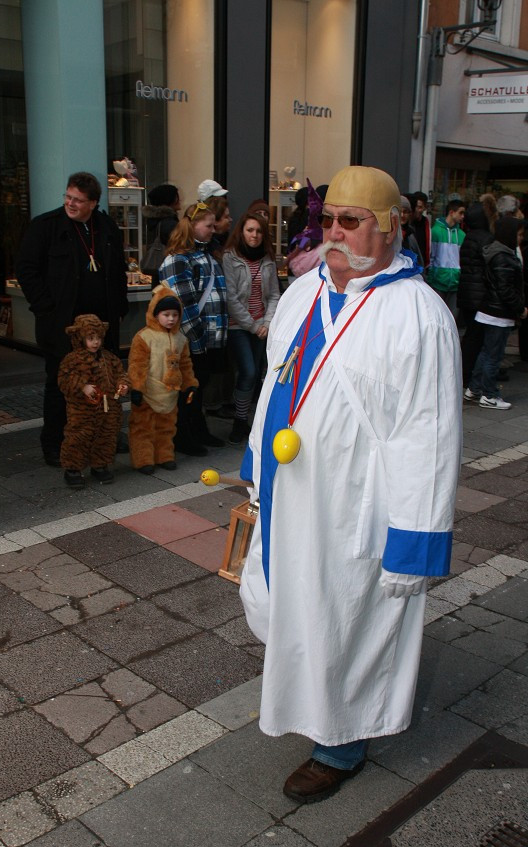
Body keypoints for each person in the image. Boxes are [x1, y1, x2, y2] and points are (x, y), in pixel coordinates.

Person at [239, 165, 462, 803]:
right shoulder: (304, 292)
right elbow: (273, 387)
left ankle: (341, 742)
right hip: (293, 492)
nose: (335, 233)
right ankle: (310, 703)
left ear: (390, 229)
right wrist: (257, 471)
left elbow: (431, 435)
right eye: (328, 220)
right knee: (291, 607)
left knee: (348, 618)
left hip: (355, 509)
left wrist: (416, 539)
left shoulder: (417, 315)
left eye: (352, 221)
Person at [16, 172, 128, 468]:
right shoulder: (46, 227)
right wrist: (46, 308)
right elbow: (26, 270)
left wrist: (119, 307)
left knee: (104, 381)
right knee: (61, 384)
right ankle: (55, 444)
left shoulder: (105, 227)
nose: (70, 203)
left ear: (93, 202)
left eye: (78, 200)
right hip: (62, 325)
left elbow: (117, 270)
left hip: (102, 327)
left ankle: (104, 438)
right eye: (67, 197)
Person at [159, 202, 228, 456]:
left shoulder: (207, 255)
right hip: (191, 340)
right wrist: (198, 341)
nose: (213, 230)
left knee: (197, 387)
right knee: (186, 389)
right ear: (193, 225)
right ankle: (182, 436)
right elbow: (184, 307)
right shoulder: (177, 260)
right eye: (209, 225)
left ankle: (197, 429)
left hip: (207, 338)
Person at [222, 212, 280, 444]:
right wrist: (254, 326)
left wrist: (266, 323)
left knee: (257, 375)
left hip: (262, 326)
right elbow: (231, 298)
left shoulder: (267, 258)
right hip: (239, 326)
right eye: (250, 230)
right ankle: (238, 421)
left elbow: (274, 294)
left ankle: (248, 419)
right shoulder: (230, 257)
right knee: (248, 371)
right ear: (241, 232)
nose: (254, 235)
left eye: (258, 231)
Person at [128, 284, 198, 474]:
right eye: (166, 314)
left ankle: (164, 455)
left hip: (169, 394)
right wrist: (136, 388)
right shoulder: (144, 337)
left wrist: (189, 385)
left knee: (166, 428)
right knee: (143, 428)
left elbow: (185, 365)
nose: (171, 319)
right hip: (148, 392)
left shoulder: (181, 339)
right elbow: (137, 365)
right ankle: (143, 459)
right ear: (155, 313)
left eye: (174, 315)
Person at [57, 314, 129, 488]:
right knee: (78, 437)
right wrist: (82, 386)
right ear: (80, 338)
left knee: (106, 436)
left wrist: (123, 384)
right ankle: (73, 469)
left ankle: (100, 465)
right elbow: (63, 379)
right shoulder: (72, 360)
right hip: (83, 410)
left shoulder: (108, 358)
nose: (95, 342)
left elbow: (121, 373)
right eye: (90, 338)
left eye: (98, 338)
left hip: (108, 407)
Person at [464, 217, 526, 410]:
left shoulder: (498, 253)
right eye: (518, 234)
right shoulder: (503, 256)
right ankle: (489, 394)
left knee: (486, 353)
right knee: (493, 355)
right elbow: (505, 288)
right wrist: (520, 308)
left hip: (490, 311)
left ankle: (475, 389)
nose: (520, 238)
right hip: (498, 313)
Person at [458, 195, 497, 387]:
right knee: (476, 338)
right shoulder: (486, 239)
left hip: (467, 294)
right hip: (479, 296)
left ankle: (465, 372)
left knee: (471, 337)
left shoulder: (469, 237)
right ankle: (467, 375)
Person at [426, 199, 465, 318]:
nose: (463, 216)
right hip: (438, 282)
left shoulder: (462, 235)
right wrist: (432, 278)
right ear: (452, 212)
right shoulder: (436, 232)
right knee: (437, 316)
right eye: (461, 213)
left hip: (454, 283)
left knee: (452, 318)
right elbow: (431, 256)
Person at [141, 184, 181, 287]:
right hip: (170, 275)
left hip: (158, 276)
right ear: (172, 199)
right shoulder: (170, 224)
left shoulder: (154, 221)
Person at [399, 195, 423, 266]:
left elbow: (418, 259)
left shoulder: (411, 234)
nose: (402, 215)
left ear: (410, 214)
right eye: (400, 211)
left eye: (405, 212)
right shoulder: (388, 233)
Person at [411, 191, 431, 268]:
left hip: (422, 265)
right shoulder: (408, 223)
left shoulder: (425, 222)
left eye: (420, 207)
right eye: (415, 206)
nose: (417, 210)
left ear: (424, 208)